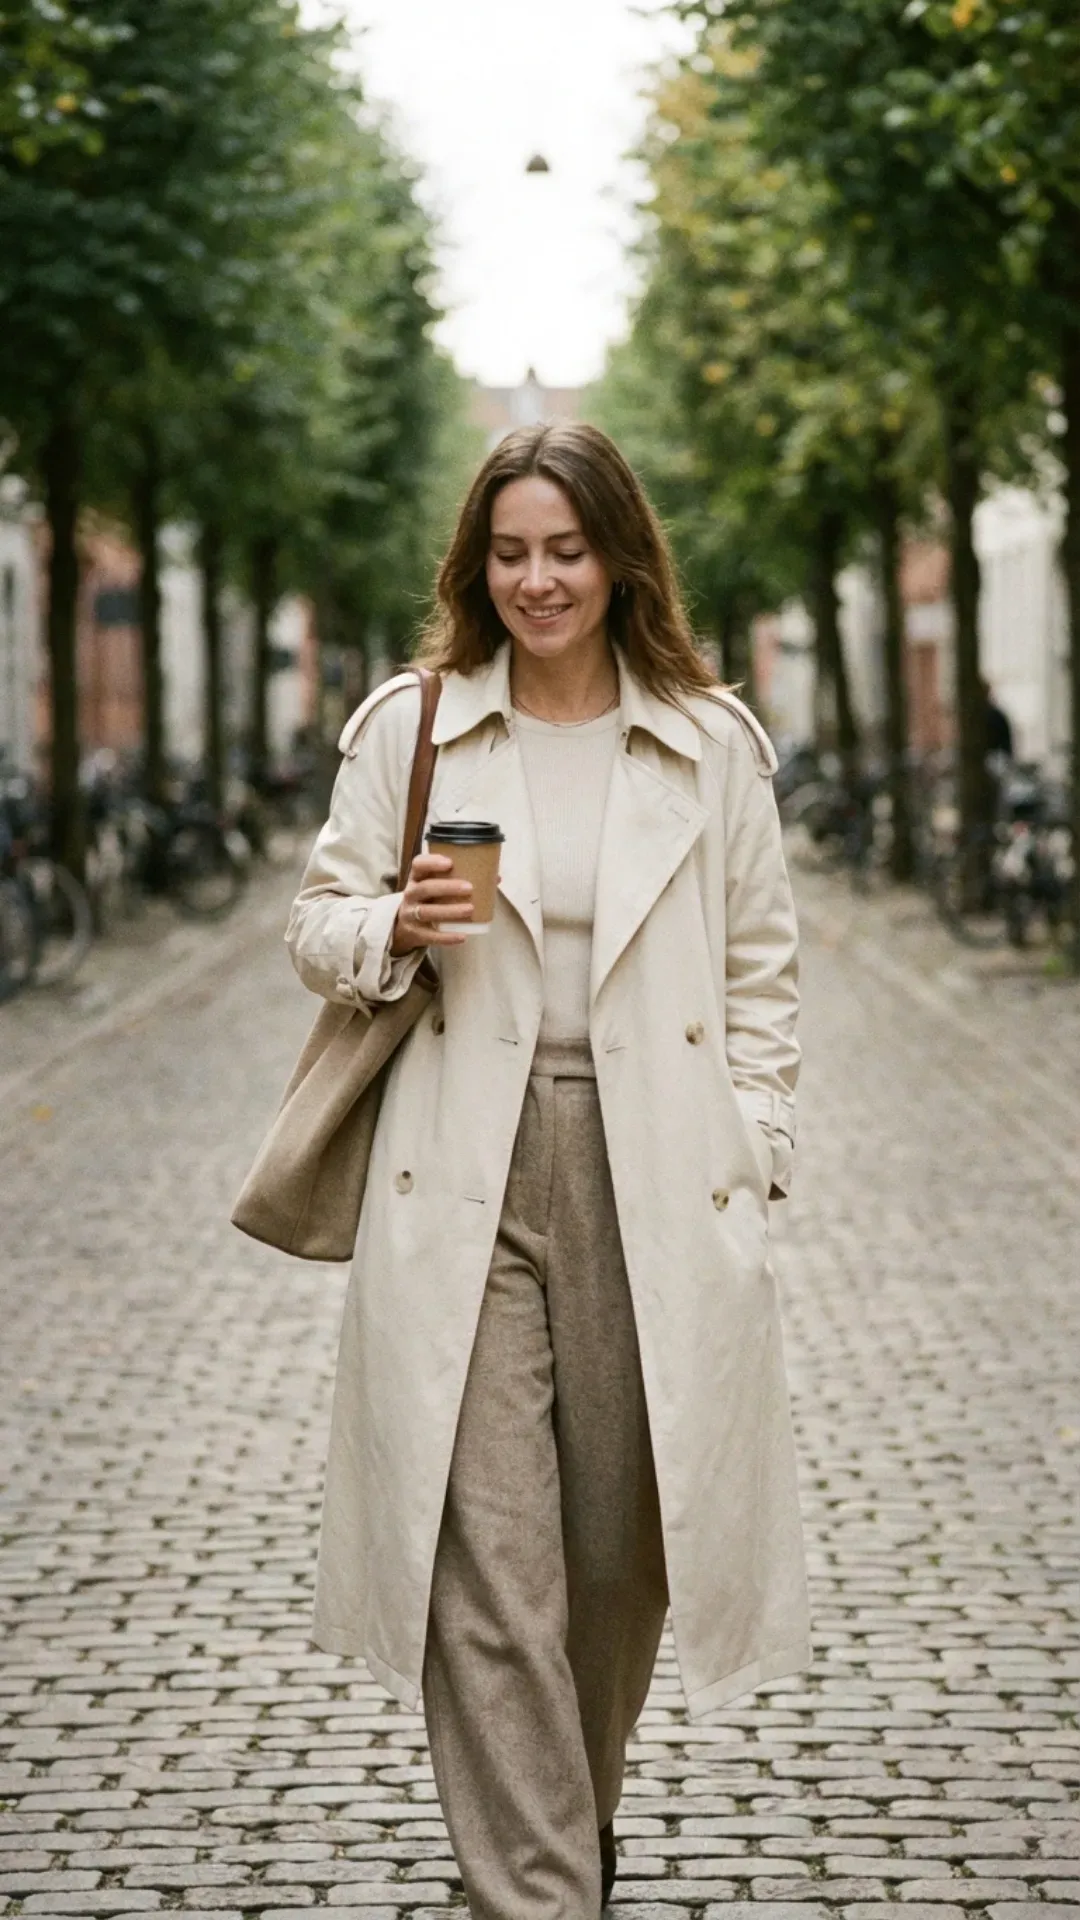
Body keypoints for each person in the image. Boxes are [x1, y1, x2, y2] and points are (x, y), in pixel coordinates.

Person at [285, 423, 808, 1920]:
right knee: (490, 1563)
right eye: (509, 552)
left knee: (614, 1565)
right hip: (463, 1160)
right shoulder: (420, 726)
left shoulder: (711, 746)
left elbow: (765, 974)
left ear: (620, 555)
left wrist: (756, 1143)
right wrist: (391, 925)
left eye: (565, 550)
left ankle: (555, 1834)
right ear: (476, 564)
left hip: (661, 1166)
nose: (537, 580)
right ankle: (541, 1892)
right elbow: (314, 918)